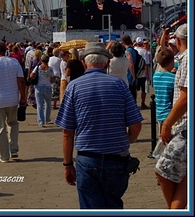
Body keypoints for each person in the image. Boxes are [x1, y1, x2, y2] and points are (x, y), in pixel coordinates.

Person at [55, 41, 143, 210]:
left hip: (87, 159)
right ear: (107, 63)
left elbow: (67, 132)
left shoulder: (73, 87)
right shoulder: (119, 86)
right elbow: (136, 125)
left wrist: (67, 165)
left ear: (83, 63)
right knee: (113, 205)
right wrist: (128, 140)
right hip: (116, 159)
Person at [155, 23, 187, 209]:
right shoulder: (182, 59)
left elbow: (185, 98)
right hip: (182, 125)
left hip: (184, 125)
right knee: (182, 176)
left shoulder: (188, 58)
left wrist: (167, 123)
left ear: (179, 41)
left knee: (163, 169)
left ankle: (174, 210)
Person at [152, 48, 175, 132]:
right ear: (171, 62)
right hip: (170, 113)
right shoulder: (173, 78)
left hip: (159, 112)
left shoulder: (155, 76)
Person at [31, 54, 55, 127]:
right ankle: (47, 118)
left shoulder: (38, 68)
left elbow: (31, 75)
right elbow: (52, 79)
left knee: (40, 105)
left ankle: (41, 121)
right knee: (48, 104)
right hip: (48, 87)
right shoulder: (50, 69)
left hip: (39, 87)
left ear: (41, 60)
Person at [135, 37, 150, 109]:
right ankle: (143, 103)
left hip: (134, 73)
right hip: (143, 73)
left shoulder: (133, 50)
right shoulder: (144, 52)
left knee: (135, 89)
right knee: (143, 90)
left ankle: (134, 103)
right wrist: (147, 74)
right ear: (142, 44)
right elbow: (146, 64)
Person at [122, 35, 138, 101]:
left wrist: (133, 76)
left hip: (129, 73)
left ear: (123, 42)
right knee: (133, 91)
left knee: (130, 92)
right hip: (133, 72)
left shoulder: (127, 51)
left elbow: (130, 64)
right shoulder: (133, 50)